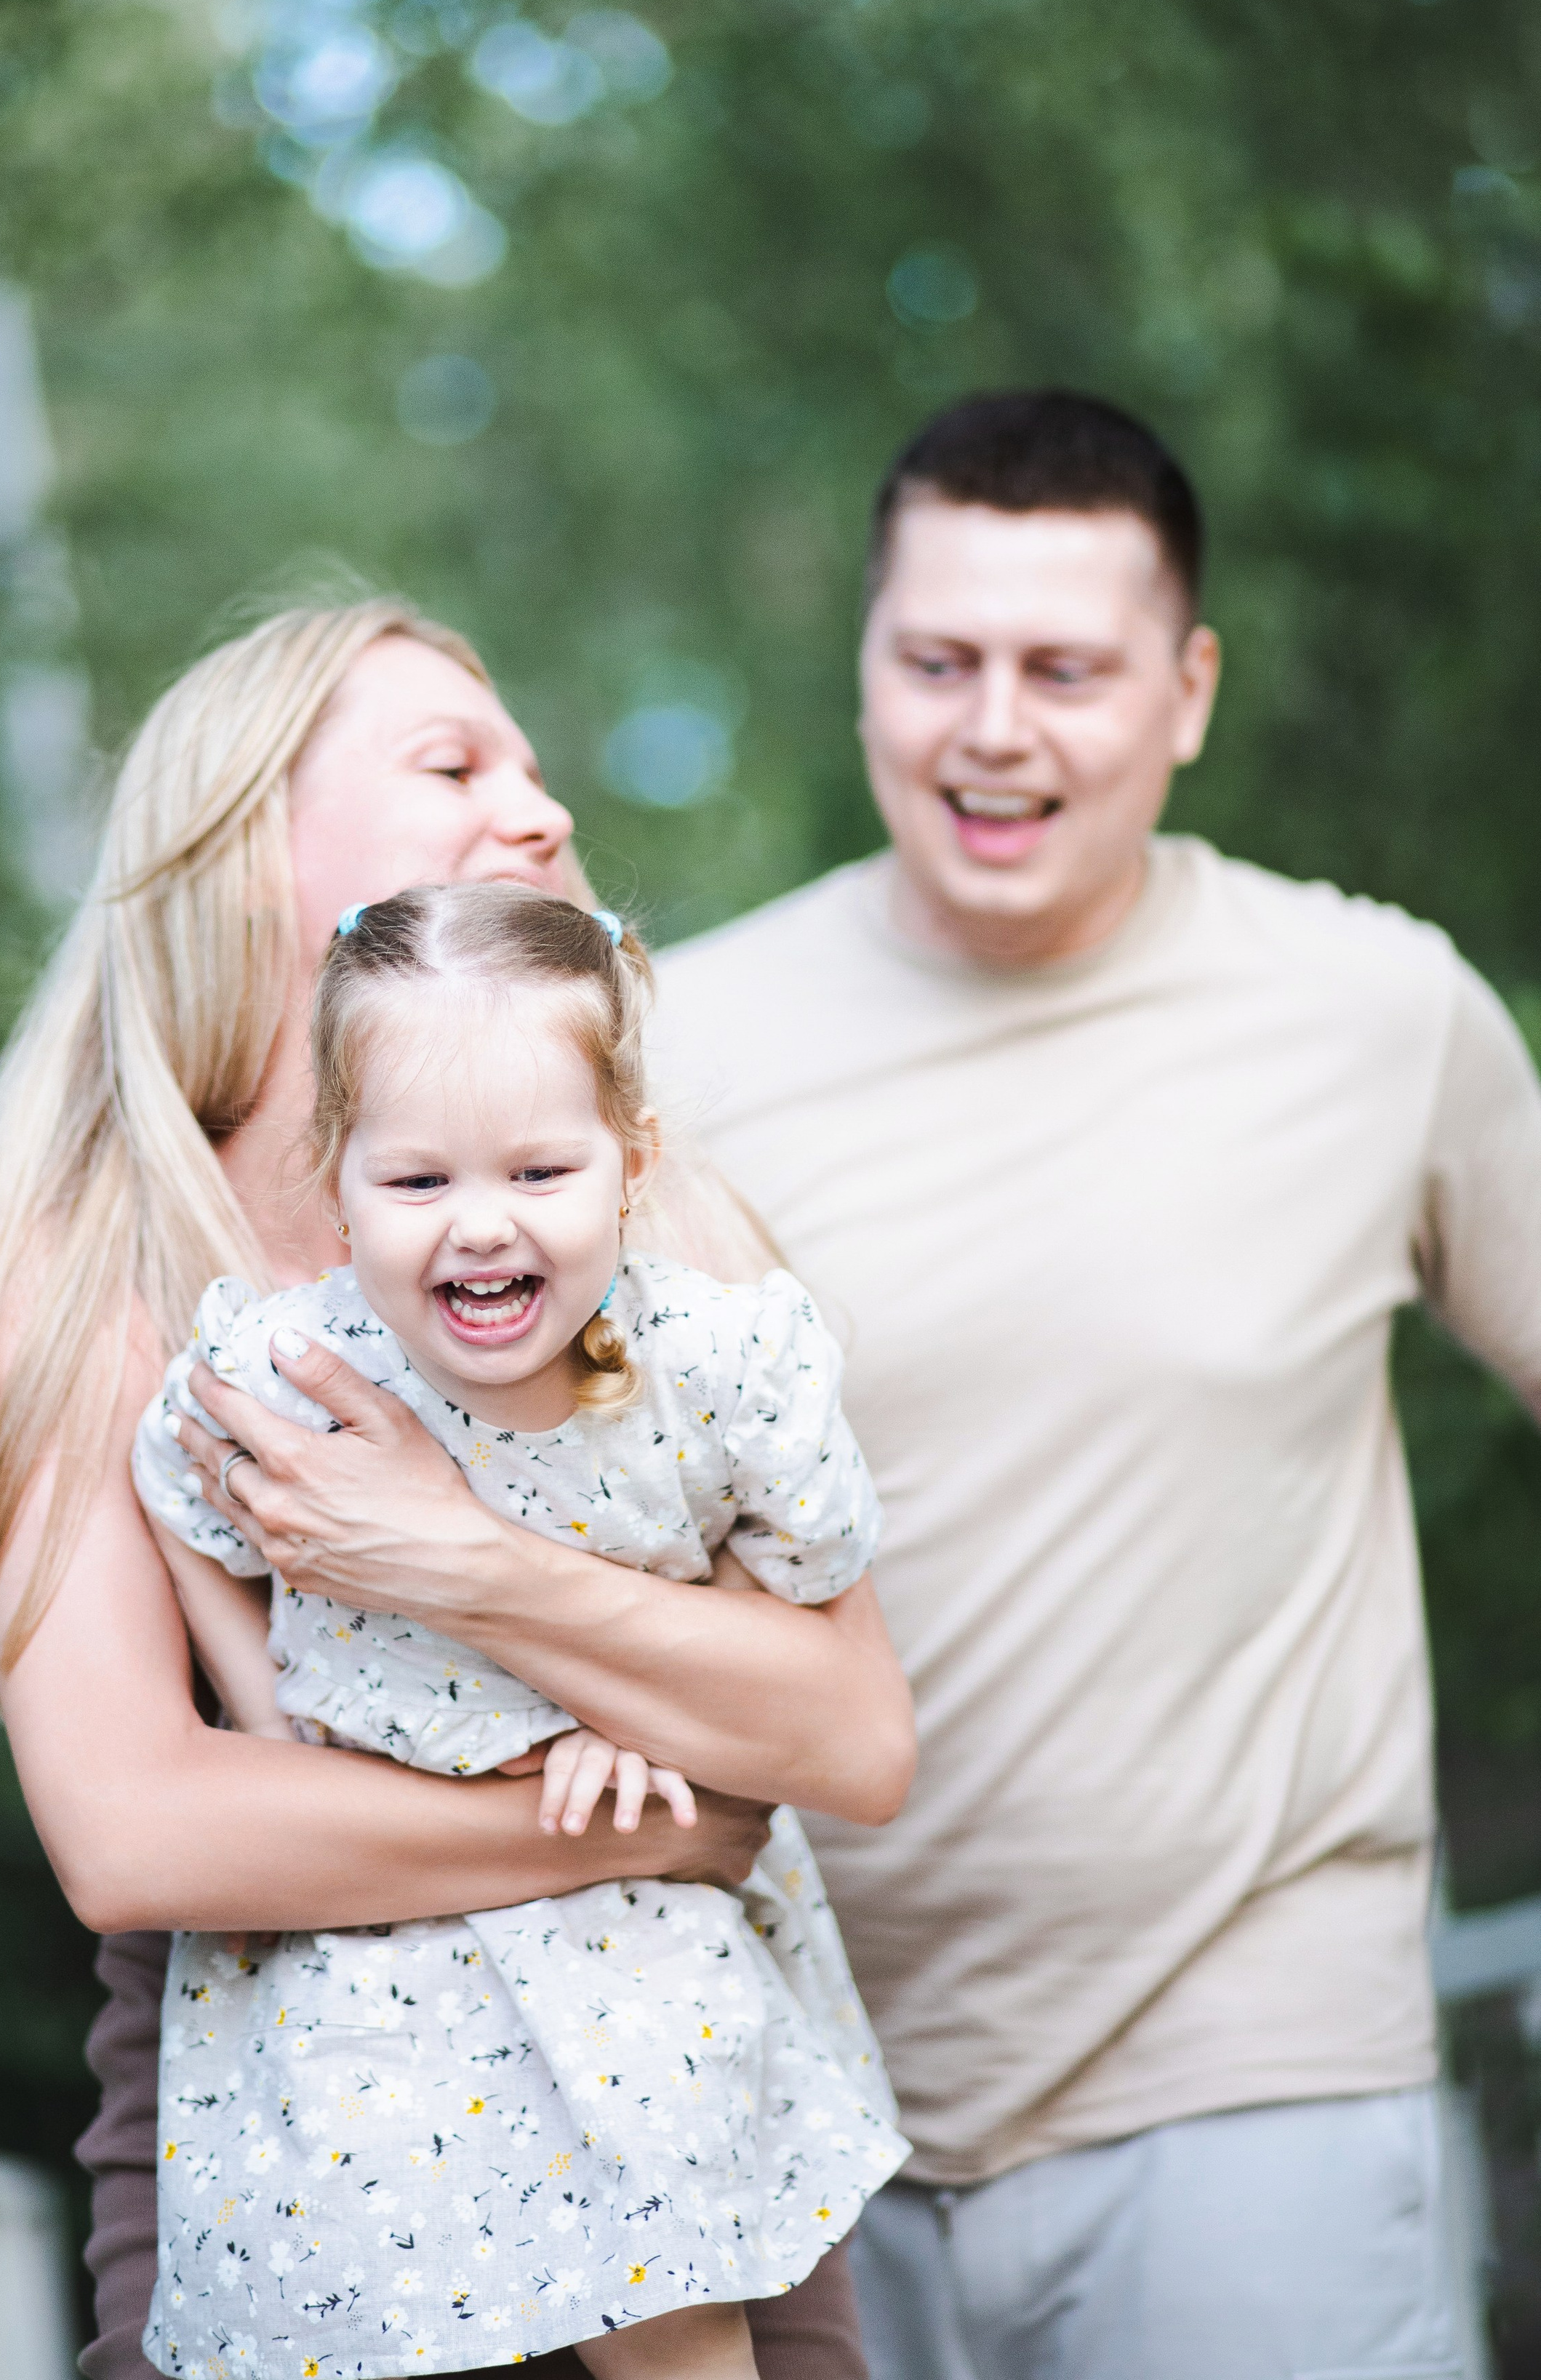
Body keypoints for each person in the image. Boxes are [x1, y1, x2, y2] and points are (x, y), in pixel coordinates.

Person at [0, 598, 908, 2380]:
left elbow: (852, 1737)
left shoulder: (652, 1243)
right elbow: (141, 1835)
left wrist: (470, 1565)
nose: (542, 806)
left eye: (537, 767)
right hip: (317, 2158)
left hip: (687, 2111)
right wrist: (639, 1826)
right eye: (455, 765)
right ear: (246, 853)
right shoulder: (87, 1288)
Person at [648, 388, 1541, 2379]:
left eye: (1067, 669)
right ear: (865, 663)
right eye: (939, 659)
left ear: (1188, 688)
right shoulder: (666, 1052)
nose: (994, 728)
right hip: (789, 2109)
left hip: (1260, 2075)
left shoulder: (1377, 1013)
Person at [129, 884, 906, 2380]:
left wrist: (645, 1710)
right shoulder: (289, 1374)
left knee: (677, 2312)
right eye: (414, 1182)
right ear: (336, 1180)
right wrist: (269, 1710)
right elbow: (175, 1495)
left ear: (630, 1162)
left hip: (626, 1935)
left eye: (540, 1170)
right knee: (375, 2291)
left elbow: (802, 1552)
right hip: (371, 1938)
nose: (480, 1226)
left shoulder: (715, 1364)